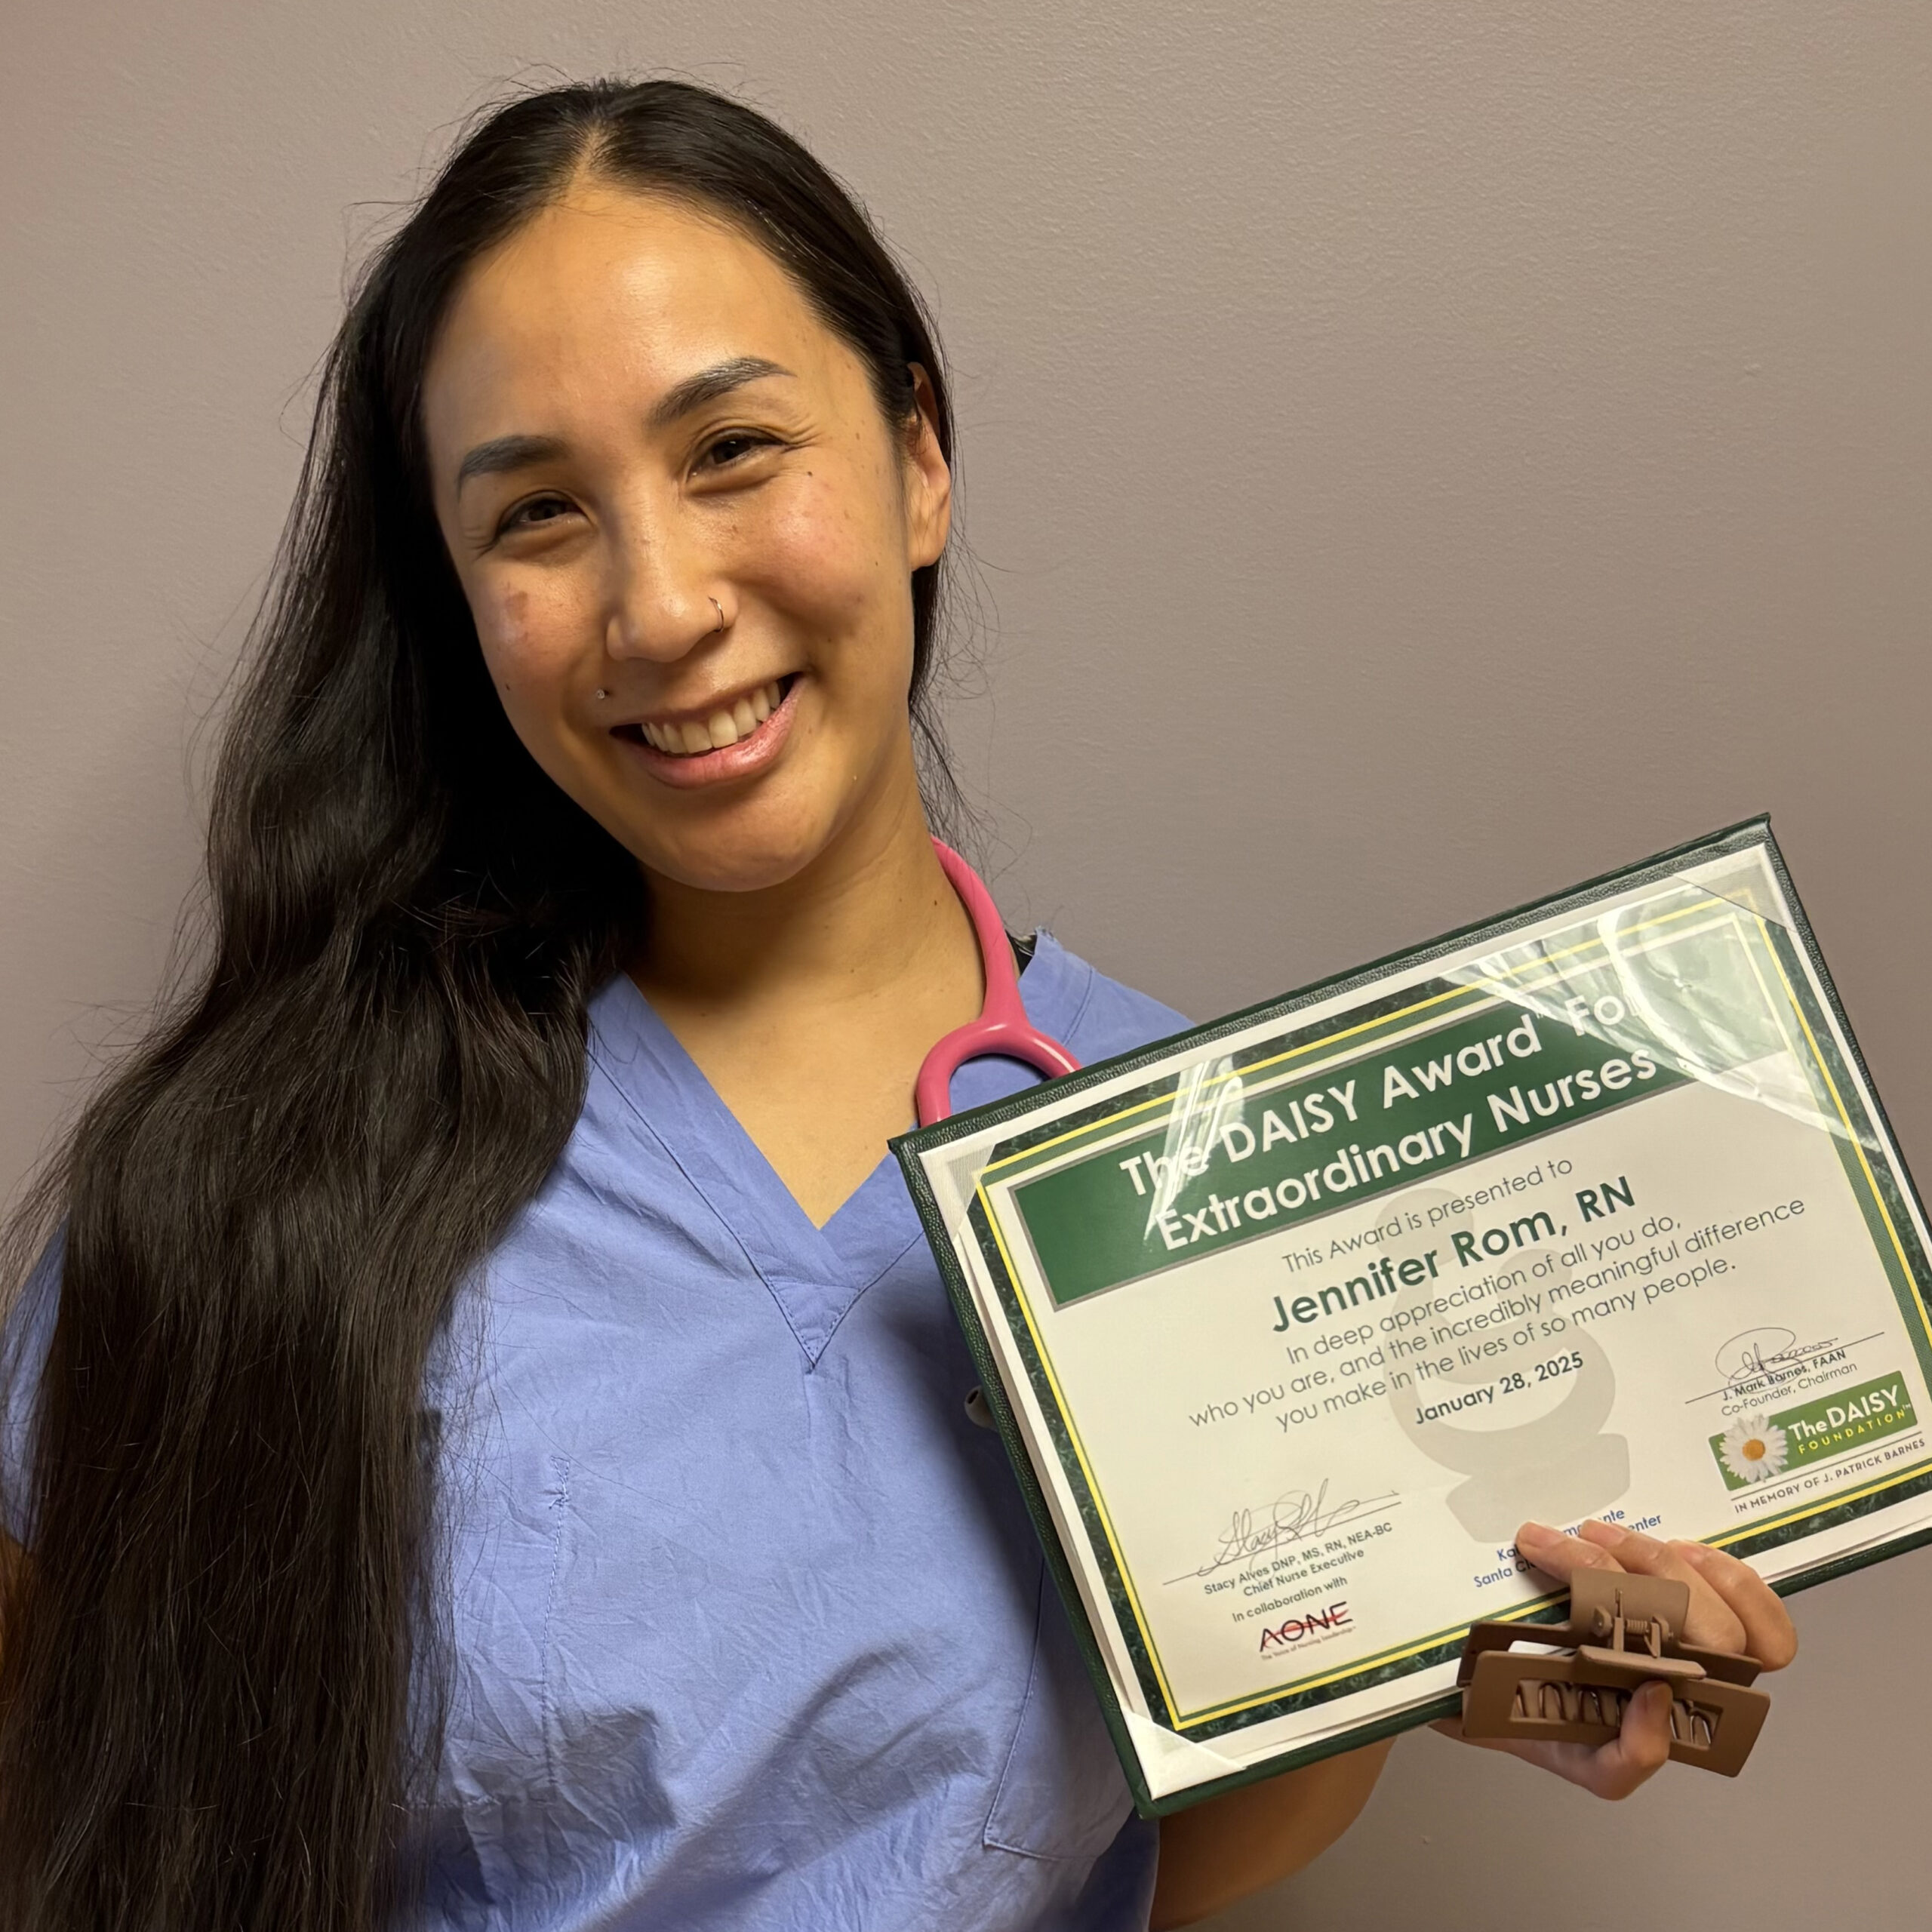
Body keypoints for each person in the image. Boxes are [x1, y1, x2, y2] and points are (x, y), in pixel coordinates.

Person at [0, 79, 1795, 1932]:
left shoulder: (1201, 1161)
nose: (662, 603)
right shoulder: (253, 1179)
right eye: (538, 510)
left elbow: (1146, 1857)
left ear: (916, 457)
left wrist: (1477, 1653)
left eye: (731, 450)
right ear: (458, 598)